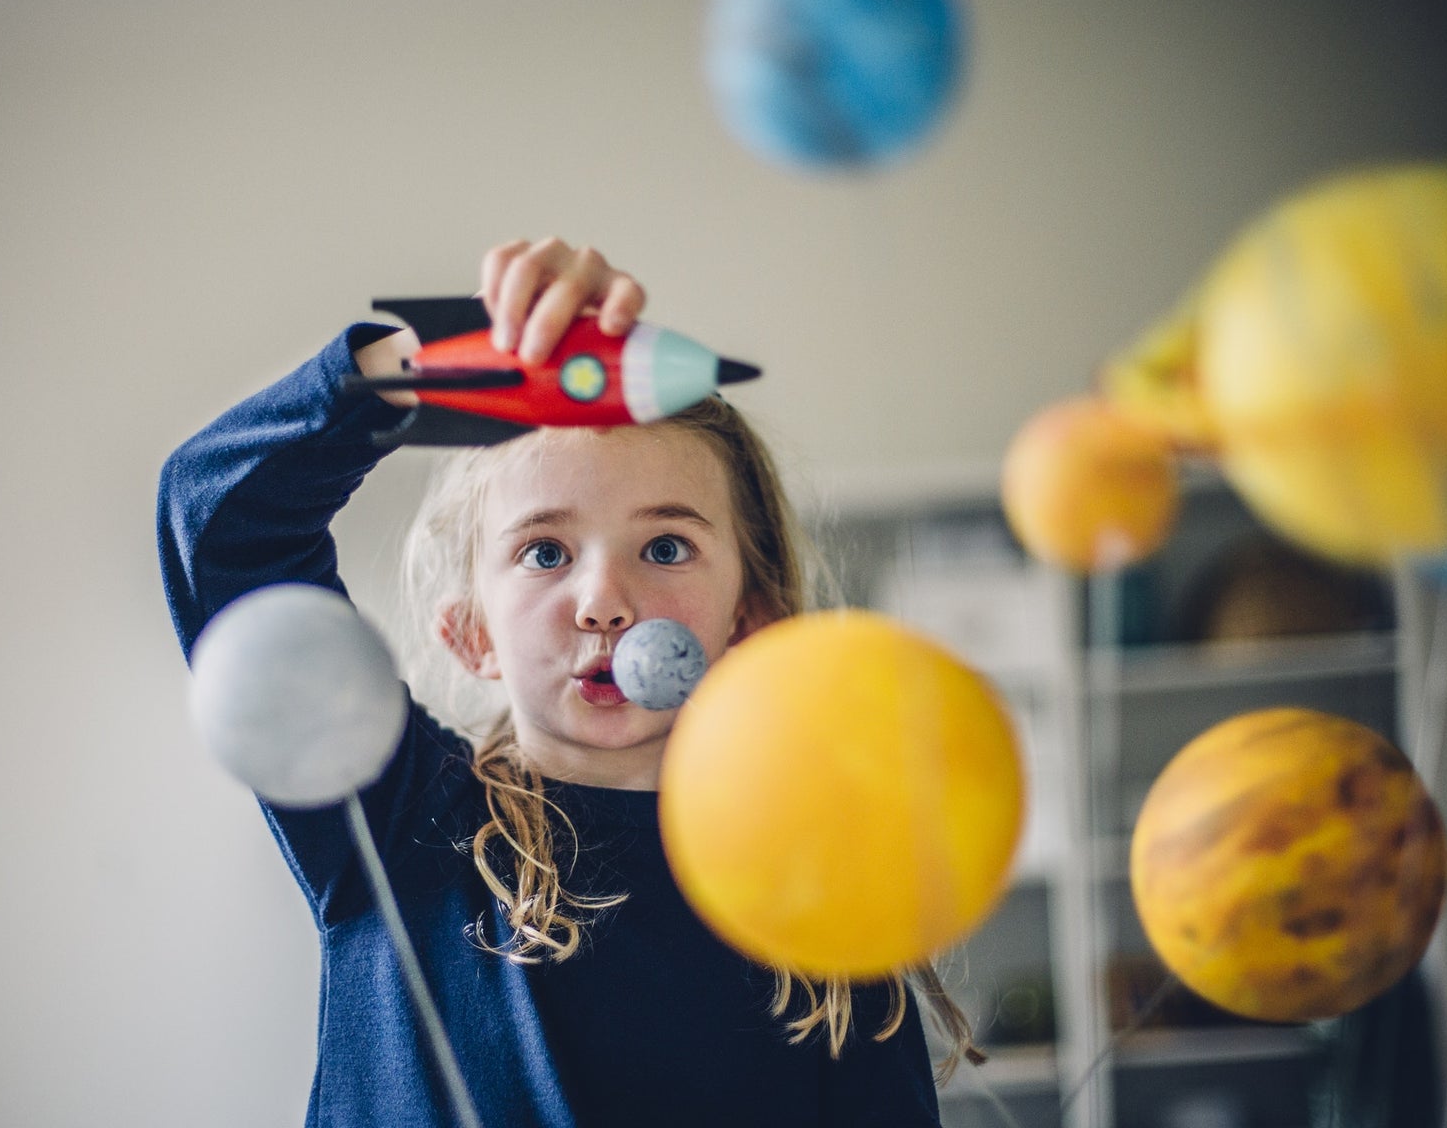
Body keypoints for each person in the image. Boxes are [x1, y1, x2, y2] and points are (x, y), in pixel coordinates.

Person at [158, 239, 973, 1127]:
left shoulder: (828, 909)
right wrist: (425, 368)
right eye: (544, 552)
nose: (603, 602)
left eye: (665, 548)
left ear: (750, 620)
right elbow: (219, 527)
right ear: (473, 634)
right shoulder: (403, 822)